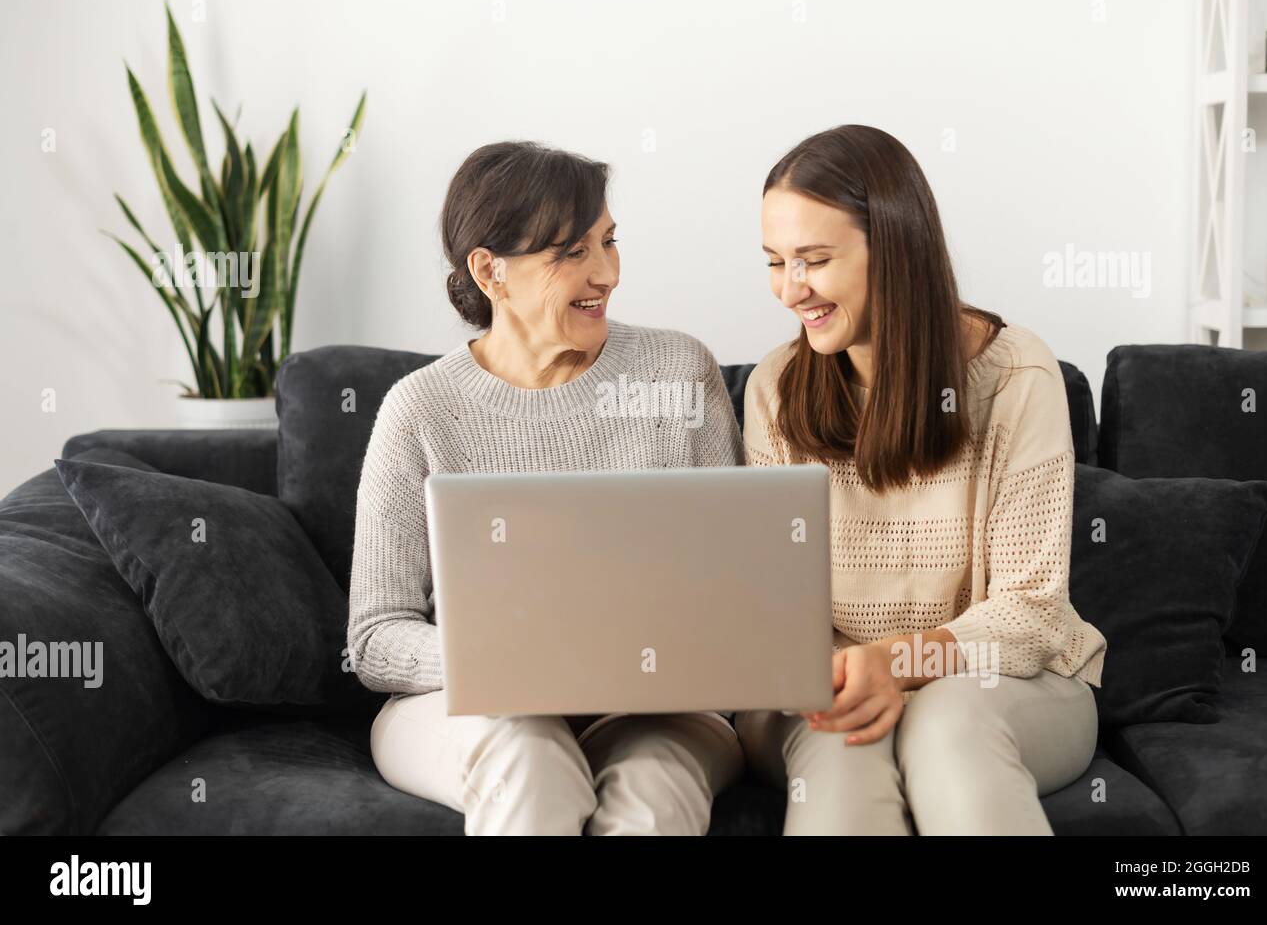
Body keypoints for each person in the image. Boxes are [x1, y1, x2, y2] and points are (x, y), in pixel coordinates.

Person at [347, 141, 744, 835]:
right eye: (571, 252)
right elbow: (375, 638)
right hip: (478, 707)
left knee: (654, 798)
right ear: (489, 271)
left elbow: (739, 593)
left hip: (654, 707)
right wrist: (507, 660)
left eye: (609, 242)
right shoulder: (421, 410)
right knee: (529, 758)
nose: (607, 273)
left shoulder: (678, 372)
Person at [738, 124, 1108, 835]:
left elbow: (1030, 612)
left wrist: (898, 662)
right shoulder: (775, 390)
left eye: (814, 259)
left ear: (898, 250)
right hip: (829, 687)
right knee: (847, 760)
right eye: (775, 261)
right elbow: (774, 612)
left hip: (1006, 683)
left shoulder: (1017, 376)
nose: (790, 290)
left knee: (948, 726)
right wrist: (847, 670)